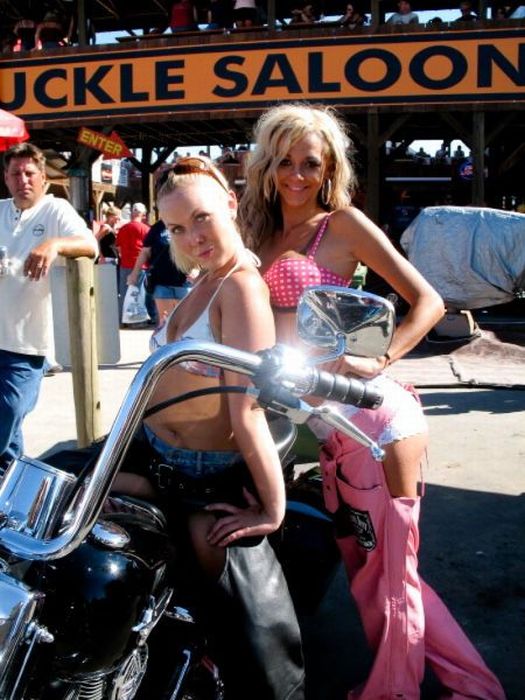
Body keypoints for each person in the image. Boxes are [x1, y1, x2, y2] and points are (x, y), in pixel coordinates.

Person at [238, 103, 506, 700]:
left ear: (330, 166)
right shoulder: (257, 232)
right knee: (375, 571)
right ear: (267, 166)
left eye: (311, 162)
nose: (297, 175)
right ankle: (477, 690)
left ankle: (393, 692)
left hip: (372, 418)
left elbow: (428, 300)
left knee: (385, 576)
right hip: (319, 423)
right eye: (284, 161)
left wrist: (379, 360)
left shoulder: (345, 225)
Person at [116, 155, 304, 699]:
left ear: (230, 203)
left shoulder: (240, 287)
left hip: (204, 472)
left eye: (201, 218)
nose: (192, 236)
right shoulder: (204, 280)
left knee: (242, 623)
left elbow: (246, 410)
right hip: (150, 453)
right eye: (177, 227)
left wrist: (272, 509)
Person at [0, 142, 97, 472]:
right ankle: (11, 493)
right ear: (6, 178)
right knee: (8, 433)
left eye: (29, 173)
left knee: (8, 413)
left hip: (26, 345)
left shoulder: (55, 210)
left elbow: (90, 245)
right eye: (15, 173)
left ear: (43, 177)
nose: (22, 179)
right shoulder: (0, 210)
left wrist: (53, 243)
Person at [127, 218, 191, 323]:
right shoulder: (157, 228)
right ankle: (167, 339)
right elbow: (145, 252)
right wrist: (135, 273)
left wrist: (197, 268)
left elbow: (197, 247)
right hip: (161, 280)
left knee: (186, 321)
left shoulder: (186, 222)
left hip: (185, 279)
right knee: (165, 321)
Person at [115, 202, 150, 318]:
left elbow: (118, 248)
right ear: (143, 214)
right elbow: (149, 250)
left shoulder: (123, 229)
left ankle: (123, 319)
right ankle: (137, 320)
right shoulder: (146, 229)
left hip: (125, 264)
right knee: (139, 294)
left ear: (132, 213)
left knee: (124, 293)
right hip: (141, 266)